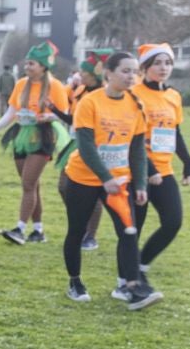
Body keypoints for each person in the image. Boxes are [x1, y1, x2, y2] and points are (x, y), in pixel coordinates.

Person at [58, 50, 160, 309]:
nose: (131, 76)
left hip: (118, 181)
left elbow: (137, 149)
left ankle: (130, 287)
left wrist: (139, 184)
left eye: (135, 72)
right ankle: (75, 281)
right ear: (108, 74)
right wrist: (104, 177)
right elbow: (86, 145)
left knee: (128, 230)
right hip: (82, 178)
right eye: (125, 71)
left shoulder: (136, 105)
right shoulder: (90, 103)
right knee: (77, 231)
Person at [0, 41, 71, 244]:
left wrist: (47, 118)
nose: (27, 67)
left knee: (28, 184)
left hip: (42, 136)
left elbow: (64, 114)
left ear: (43, 66)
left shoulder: (55, 86)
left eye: (31, 63)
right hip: (22, 134)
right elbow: (12, 111)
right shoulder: (21, 84)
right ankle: (38, 230)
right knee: (32, 186)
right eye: (27, 63)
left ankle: (20, 229)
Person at [130, 43, 189, 292]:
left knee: (173, 221)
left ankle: (141, 266)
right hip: (138, 170)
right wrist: (149, 168)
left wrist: (188, 161)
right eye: (157, 63)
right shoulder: (134, 94)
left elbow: (174, 130)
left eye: (168, 63)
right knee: (134, 228)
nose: (163, 68)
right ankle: (128, 281)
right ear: (144, 68)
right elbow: (132, 138)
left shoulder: (173, 96)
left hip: (165, 171)